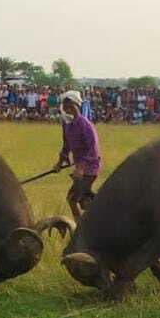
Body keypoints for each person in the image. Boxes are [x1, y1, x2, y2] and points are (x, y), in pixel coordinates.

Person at [52, 90, 101, 221]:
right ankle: (93, 221)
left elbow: (93, 150)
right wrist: (60, 162)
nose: (67, 109)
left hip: (90, 168)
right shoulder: (66, 125)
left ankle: (81, 228)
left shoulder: (85, 125)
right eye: (65, 106)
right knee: (84, 201)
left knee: (72, 198)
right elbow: (66, 145)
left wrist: (81, 168)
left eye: (70, 105)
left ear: (77, 105)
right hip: (80, 169)